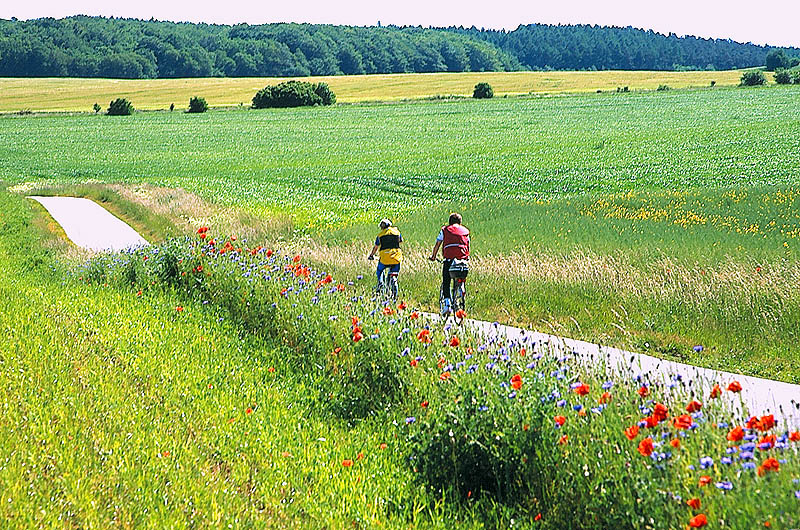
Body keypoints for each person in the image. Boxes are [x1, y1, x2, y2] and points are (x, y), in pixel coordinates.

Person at [429, 213, 470, 314]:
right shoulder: (465, 231)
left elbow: (438, 243)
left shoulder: (445, 230)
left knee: (446, 281)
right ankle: (461, 289)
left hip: (449, 260)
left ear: (449, 222)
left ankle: (447, 303)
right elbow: (468, 245)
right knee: (460, 277)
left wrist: (433, 256)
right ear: (460, 222)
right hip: (463, 261)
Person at [368, 219, 403, 291]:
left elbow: (376, 247)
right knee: (394, 273)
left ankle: (380, 283)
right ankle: (393, 284)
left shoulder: (380, 235)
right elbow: (401, 241)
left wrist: (371, 255)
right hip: (396, 258)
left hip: (385, 259)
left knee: (380, 270)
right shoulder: (397, 232)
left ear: (382, 227)